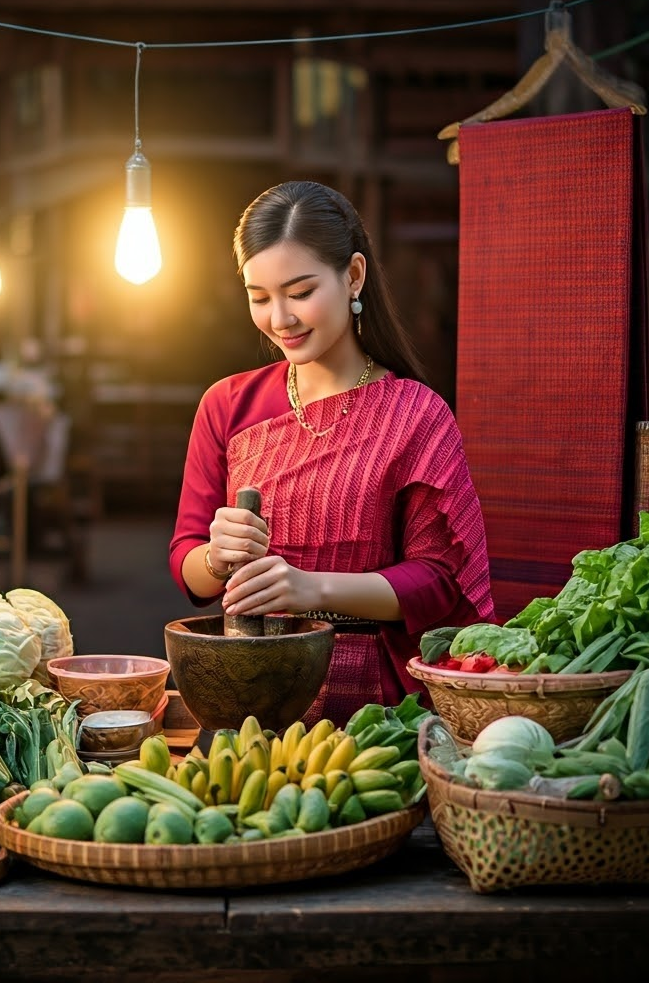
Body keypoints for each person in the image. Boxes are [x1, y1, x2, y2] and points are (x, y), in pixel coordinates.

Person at [168, 180, 494, 728]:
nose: (280, 319)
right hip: (251, 696)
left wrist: (308, 587)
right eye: (259, 297)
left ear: (354, 277)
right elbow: (188, 567)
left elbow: (440, 580)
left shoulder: (418, 414)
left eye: (299, 292)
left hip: (380, 712)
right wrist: (217, 557)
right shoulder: (225, 405)